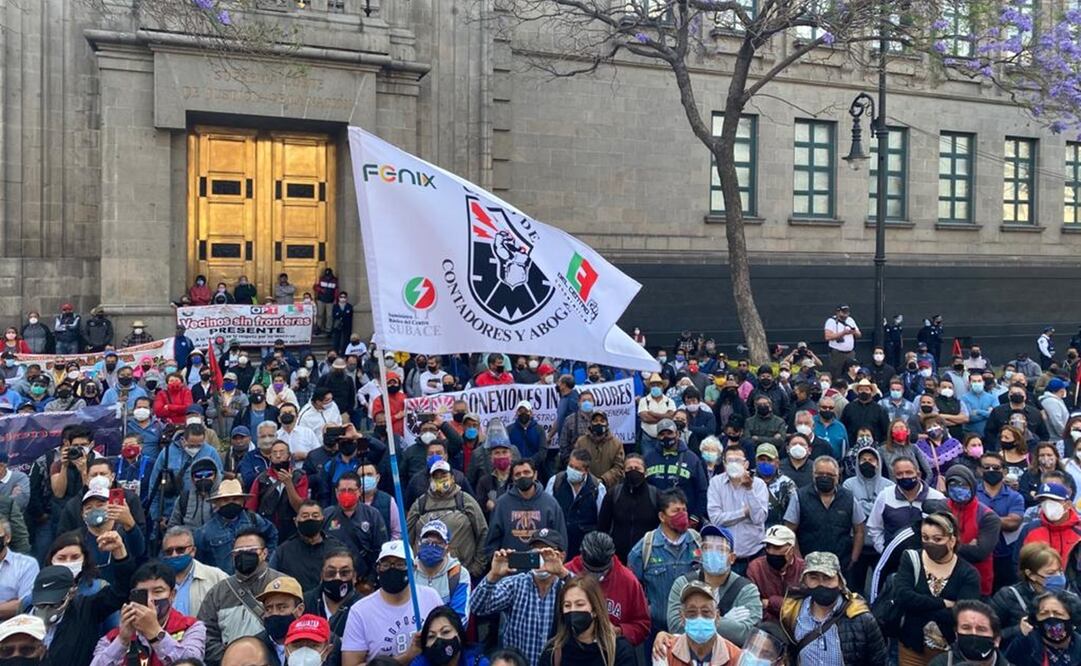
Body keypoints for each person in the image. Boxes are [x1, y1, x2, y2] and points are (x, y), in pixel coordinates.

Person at [29, 530, 134, 666]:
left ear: (71, 593)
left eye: (56, 602)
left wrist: (119, 553)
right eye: (42, 604)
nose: (48, 607)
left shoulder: (86, 609)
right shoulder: (25, 615)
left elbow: (121, 591)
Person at [471, 528, 571, 666]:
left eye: (546, 553)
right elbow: (477, 607)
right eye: (535, 553)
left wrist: (562, 572)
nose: (540, 558)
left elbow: (591, 601)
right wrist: (493, 576)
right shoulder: (516, 584)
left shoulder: (568, 586)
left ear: (561, 557)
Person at [895, 512, 982, 665]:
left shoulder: (968, 573)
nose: (930, 543)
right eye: (925, 538)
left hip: (948, 653)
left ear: (952, 540)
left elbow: (963, 616)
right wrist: (944, 603)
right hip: (912, 647)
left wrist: (918, 605)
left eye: (937, 539)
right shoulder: (911, 558)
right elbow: (903, 597)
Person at [341, 540, 444, 665]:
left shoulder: (431, 597)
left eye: (400, 564)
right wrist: (407, 657)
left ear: (414, 568)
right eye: (385, 564)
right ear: (378, 569)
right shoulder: (360, 611)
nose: (392, 569)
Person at [779, 551, 887, 666]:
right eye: (813, 578)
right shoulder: (791, 613)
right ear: (804, 581)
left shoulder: (861, 618)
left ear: (840, 582)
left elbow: (879, 661)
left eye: (827, 578)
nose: (821, 584)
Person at [89, 561, 207, 666]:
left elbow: (192, 662)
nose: (150, 599)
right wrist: (122, 641)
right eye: (142, 593)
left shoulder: (191, 627)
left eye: (157, 592)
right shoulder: (112, 637)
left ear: (172, 595)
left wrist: (155, 633)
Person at [664, 524, 762, 646]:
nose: (713, 553)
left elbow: (748, 634)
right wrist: (721, 621)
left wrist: (698, 622)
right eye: (707, 548)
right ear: (701, 554)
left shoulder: (747, 590)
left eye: (721, 549)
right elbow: (675, 626)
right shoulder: (683, 583)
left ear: (732, 558)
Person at [198, 528, 284, 664]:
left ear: (264, 553)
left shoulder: (283, 584)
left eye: (251, 550)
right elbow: (204, 634)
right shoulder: (218, 592)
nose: (244, 555)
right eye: (238, 552)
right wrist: (232, 657)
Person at [628, 488, 702, 638]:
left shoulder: (698, 543)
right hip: (656, 630)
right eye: (675, 511)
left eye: (684, 510)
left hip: (692, 629)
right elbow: (632, 588)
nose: (682, 515)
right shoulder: (644, 548)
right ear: (662, 516)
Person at [563, 531, 650, 647]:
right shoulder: (566, 573)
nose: (595, 576)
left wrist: (618, 631)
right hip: (573, 649)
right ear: (582, 557)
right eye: (590, 571)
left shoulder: (629, 581)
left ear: (611, 559)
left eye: (601, 572)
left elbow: (643, 625)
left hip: (612, 651)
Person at [406, 460, 489, 580]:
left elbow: (483, 532)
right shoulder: (420, 503)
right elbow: (407, 537)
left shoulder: (465, 500)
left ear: (453, 478)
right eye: (436, 477)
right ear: (430, 480)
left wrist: (477, 567)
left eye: (444, 476)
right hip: (424, 574)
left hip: (461, 573)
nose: (440, 480)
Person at [537, 575, 635, 666]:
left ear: (595, 610)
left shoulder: (619, 650)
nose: (572, 610)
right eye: (567, 605)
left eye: (580, 604)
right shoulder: (553, 652)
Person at [194, 479, 279, 574]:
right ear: (217, 503)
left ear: (242, 501)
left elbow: (273, 535)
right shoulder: (205, 531)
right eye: (225, 500)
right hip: (224, 582)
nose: (231, 503)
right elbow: (199, 562)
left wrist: (267, 561)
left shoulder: (254, 520)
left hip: (254, 577)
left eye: (235, 499)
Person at [651, 580, 744, 666]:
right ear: (682, 617)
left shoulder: (736, 658)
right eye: (692, 612)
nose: (699, 617)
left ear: (717, 617)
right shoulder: (664, 652)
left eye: (706, 612)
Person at [484, 459, 566, 556]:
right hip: (510, 567)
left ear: (535, 475)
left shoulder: (551, 504)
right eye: (518, 474)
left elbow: (561, 540)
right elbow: (492, 542)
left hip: (543, 568)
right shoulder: (502, 504)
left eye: (526, 472)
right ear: (513, 479)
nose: (522, 476)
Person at [706, 446, 768, 573]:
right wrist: (743, 513)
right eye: (730, 460)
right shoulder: (715, 483)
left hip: (754, 556)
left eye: (738, 461)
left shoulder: (758, 484)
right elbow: (716, 519)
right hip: (724, 557)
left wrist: (749, 489)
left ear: (746, 464)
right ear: (724, 463)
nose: (734, 464)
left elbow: (758, 518)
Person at [867, 455, 946, 554]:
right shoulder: (885, 495)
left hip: (928, 558)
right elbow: (875, 527)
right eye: (899, 474)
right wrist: (883, 549)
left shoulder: (937, 498)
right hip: (894, 559)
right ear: (894, 476)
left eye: (909, 472)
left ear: (918, 474)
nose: (904, 476)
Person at [944, 464, 1001, 597]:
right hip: (945, 581)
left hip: (978, 585)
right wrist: (967, 546)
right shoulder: (941, 509)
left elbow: (980, 553)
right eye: (953, 486)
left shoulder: (988, 516)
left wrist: (945, 545)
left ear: (972, 486)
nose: (958, 490)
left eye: (963, 485)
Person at [323, 472, 388, 587]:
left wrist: (371, 581)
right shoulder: (327, 515)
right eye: (343, 490)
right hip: (334, 579)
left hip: (364, 582)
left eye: (351, 490)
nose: (346, 494)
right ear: (336, 492)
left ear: (359, 491)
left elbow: (380, 549)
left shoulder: (372, 515)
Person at [596, 454, 659, 563]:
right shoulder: (613, 494)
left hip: (648, 556)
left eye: (637, 468)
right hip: (617, 557)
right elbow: (603, 527)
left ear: (645, 472)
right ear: (624, 472)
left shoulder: (656, 495)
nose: (633, 471)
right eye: (629, 468)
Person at [270, 501, 344, 592]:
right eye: (305, 516)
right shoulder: (282, 552)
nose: (310, 519)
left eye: (315, 516)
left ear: (322, 520)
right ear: (296, 521)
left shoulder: (337, 548)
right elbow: (272, 582)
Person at [410, 520, 471, 627]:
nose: (431, 546)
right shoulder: (409, 571)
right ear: (419, 543)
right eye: (426, 541)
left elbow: (460, 617)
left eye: (438, 543)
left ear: (447, 546)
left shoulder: (458, 574)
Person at [544, 449, 603, 558]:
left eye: (577, 468)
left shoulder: (597, 488)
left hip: (585, 548)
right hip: (559, 545)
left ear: (586, 470)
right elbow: (547, 511)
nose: (572, 470)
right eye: (570, 466)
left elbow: (602, 520)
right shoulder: (555, 482)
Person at [159, 526, 227, 618]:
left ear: (193, 551)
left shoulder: (216, 577)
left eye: (180, 550)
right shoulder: (156, 580)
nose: (174, 555)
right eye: (169, 551)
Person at [1004, 590, 1081, 665]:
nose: (1051, 618)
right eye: (1044, 614)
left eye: (1058, 614)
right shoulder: (1023, 646)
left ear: (1072, 618)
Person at [746, 525, 804, 624]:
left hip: (798, 625)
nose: (771, 551)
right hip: (766, 626)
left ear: (791, 549)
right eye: (768, 546)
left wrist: (771, 602)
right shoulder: (756, 568)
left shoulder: (803, 569)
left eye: (777, 547)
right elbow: (753, 606)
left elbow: (805, 609)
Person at [927, 600, 1010, 666]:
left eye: (981, 629)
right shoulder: (939, 663)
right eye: (966, 628)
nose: (973, 633)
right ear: (956, 634)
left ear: (996, 640)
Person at [303, 548, 359, 640]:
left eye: (344, 573)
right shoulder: (305, 603)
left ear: (354, 577)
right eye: (331, 573)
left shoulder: (363, 608)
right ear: (321, 576)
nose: (337, 578)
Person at [1020, 481, 1081, 563]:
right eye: (1043, 501)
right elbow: (1019, 562)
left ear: (1068, 504)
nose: (1048, 505)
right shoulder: (1030, 529)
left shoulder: (1078, 530)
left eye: (1053, 500)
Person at [255, 575, 306, 665]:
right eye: (268, 609)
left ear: (299, 609)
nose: (274, 613)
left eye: (282, 607)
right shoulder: (255, 645)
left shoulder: (316, 643)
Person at [571, 411, 624, 490]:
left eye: (602, 421)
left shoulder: (617, 444)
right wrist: (588, 480)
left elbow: (619, 468)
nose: (599, 423)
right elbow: (575, 463)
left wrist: (603, 480)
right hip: (584, 487)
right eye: (595, 421)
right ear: (591, 424)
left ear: (607, 424)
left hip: (609, 488)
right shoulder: (581, 442)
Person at [0, 518, 37, 620]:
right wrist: (7, 605)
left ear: (7, 537)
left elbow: (25, 605)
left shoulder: (26, 564)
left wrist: (17, 605)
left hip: (11, 628)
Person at [824, 304, 860, 377]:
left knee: (851, 374)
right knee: (837, 374)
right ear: (838, 312)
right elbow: (827, 336)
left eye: (847, 312)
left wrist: (854, 332)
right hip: (837, 354)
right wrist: (843, 333)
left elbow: (859, 334)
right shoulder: (831, 321)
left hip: (850, 353)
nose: (845, 314)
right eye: (843, 312)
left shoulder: (850, 320)